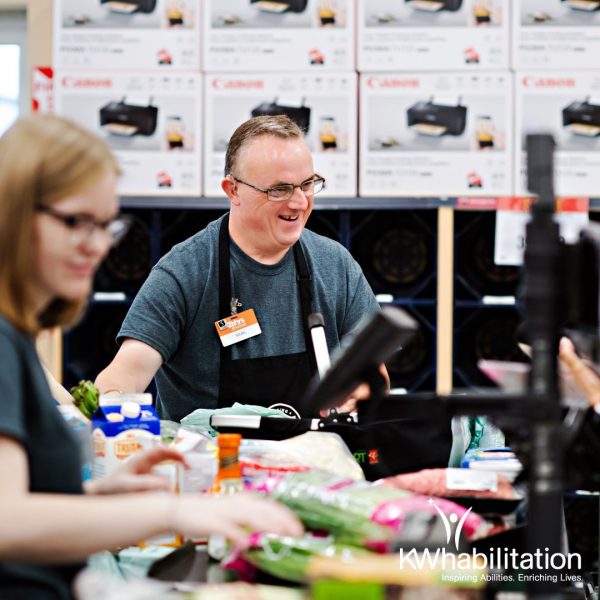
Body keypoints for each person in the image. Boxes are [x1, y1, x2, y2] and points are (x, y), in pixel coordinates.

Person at [0, 114, 302, 600]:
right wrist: (173, 511)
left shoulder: (15, 341)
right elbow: (7, 521)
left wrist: (104, 495)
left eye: (106, 225)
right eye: (78, 222)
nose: (97, 246)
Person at [96, 115, 388, 422]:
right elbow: (121, 379)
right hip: (216, 465)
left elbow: (375, 375)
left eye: (307, 184)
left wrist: (362, 392)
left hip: (317, 462)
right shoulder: (185, 272)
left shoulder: (335, 265)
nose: (300, 202)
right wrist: (111, 404)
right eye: (280, 190)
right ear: (233, 190)